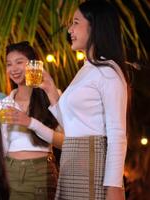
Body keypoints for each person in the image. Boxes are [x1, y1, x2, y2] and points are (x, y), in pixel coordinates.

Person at [40, 1, 129, 199]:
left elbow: (117, 133)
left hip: (90, 162)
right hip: (73, 161)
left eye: (76, 22)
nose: (70, 29)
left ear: (95, 26)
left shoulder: (108, 71)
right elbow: (72, 126)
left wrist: (114, 186)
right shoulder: (87, 69)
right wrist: (51, 90)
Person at [0, 41, 61, 200]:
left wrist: (30, 123)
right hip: (10, 172)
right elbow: (2, 146)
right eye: (9, 64)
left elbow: (65, 141)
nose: (13, 69)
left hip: (40, 170)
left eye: (19, 62)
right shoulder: (4, 104)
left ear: (34, 64)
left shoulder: (52, 96)